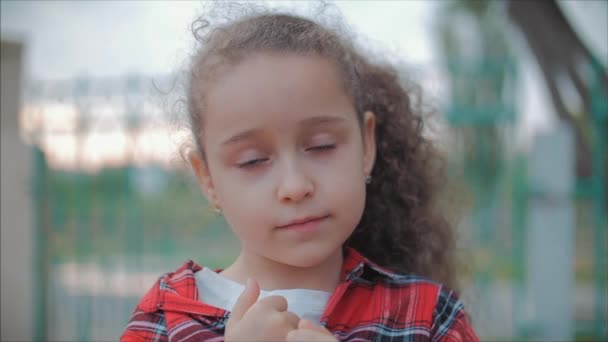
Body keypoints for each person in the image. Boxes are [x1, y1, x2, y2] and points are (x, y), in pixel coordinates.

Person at [121, 4, 479, 342]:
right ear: (208, 180)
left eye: (321, 145)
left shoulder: (430, 317)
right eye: (252, 160)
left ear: (366, 146)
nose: (295, 186)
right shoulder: (166, 318)